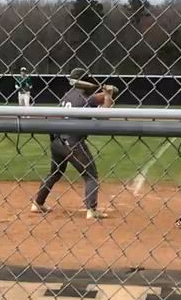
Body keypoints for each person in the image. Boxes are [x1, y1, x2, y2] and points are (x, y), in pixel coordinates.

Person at [30, 68, 117, 221]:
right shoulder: (86, 99)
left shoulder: (67, 95)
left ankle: (38, 203)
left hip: (57, 142)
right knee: (90, 175)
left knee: (55, 172)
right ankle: (92, 209)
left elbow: (96, 98)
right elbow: (105, 116)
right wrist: (108, 95)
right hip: (74, 143)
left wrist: (107, 94)